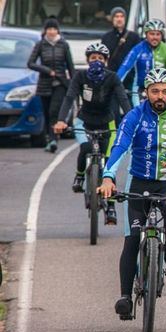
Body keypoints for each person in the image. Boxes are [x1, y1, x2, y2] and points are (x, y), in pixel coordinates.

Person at [98, 68, 166, 319]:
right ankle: (125, 296)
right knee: (133, 237)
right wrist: (108, 176)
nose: (160, 96)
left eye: (165, 92)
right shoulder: (135, 115)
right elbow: (121, 145)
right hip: (139, 181)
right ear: (146, 92)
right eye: (155, 91)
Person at [54, 42, 131, 225]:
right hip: (84, 121)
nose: (97, 61)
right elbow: (69, 97)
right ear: (88, 59)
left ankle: (110, 206)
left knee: (108, 164)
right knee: (86, 147)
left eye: (100, 58)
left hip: (107, 122)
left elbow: (123, 99)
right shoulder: (80, 76)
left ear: (106, 60)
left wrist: (130, 122)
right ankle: (80, 175)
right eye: (93, 58)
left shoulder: (112, 78)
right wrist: (61, 120)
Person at [27, 17, 75, 153]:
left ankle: (54, 140)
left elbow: (70, 66)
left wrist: (74, 84)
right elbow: (30, 63)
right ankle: (50, 138)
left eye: (54, 29)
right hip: (44, 84)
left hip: (60, 83)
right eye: (49, 29)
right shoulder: (40, 44)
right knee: (47, 113)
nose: (52, 32)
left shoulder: (64, 45)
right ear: (45, 30)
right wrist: (47, 71)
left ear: (57, 30)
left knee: (54, 111)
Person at [116, 19, 166, 104]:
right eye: (151, 34)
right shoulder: (138, 49)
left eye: (158, 34)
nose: (155, 37)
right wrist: (115, 83)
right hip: (140, 89)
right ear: (146, 35)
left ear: (162, 36)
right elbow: (125, 67)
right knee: (139, 114)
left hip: (160, 90)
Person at [101, 6, 140, 123]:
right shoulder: (106, 37)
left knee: (131, 110)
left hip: (129, 79)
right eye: (116, 16)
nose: (119, 19)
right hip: (112, 79)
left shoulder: (134, 37)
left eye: (122, 16)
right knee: (114, 112)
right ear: (112, 19)